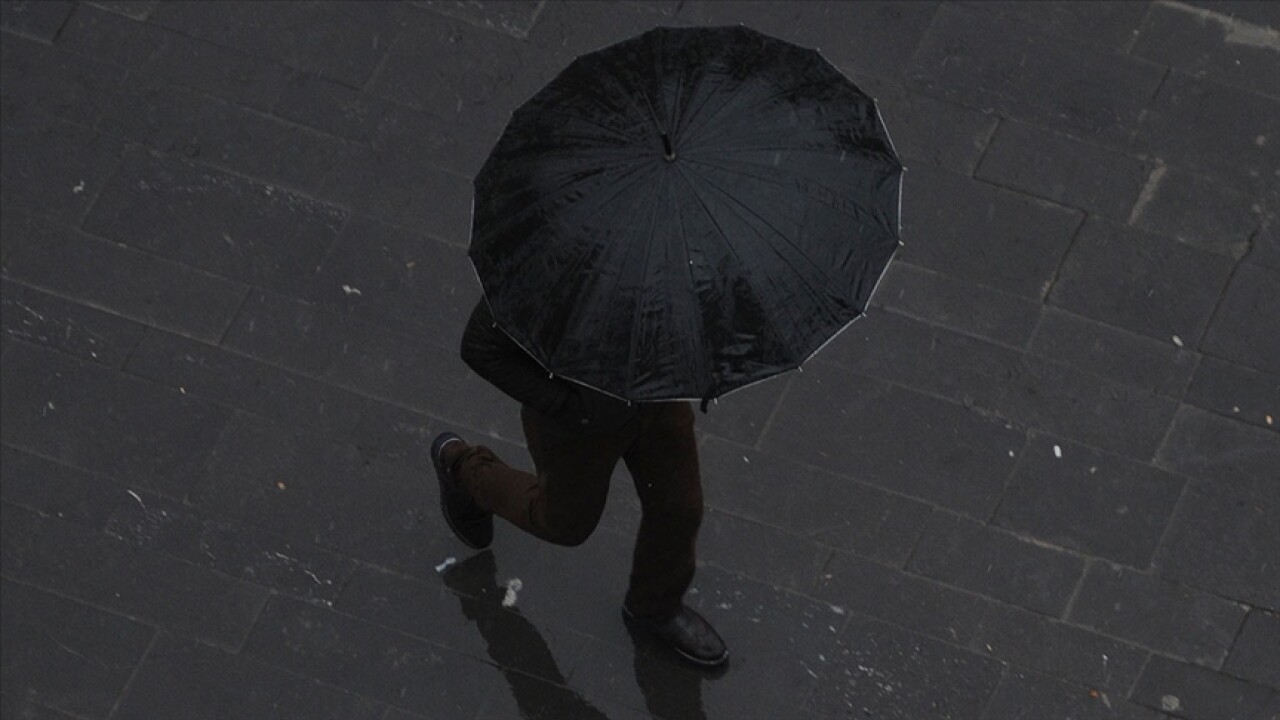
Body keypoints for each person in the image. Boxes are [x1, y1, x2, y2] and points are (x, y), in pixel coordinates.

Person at [431, 299, 728, 667]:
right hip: (578, 428)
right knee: (563, 523)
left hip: (657, 398)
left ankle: (655, 606)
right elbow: (480, 346)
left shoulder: (671, 254)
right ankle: (461, 467)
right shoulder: (550, 266)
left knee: (680, 507)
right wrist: (568, 407)